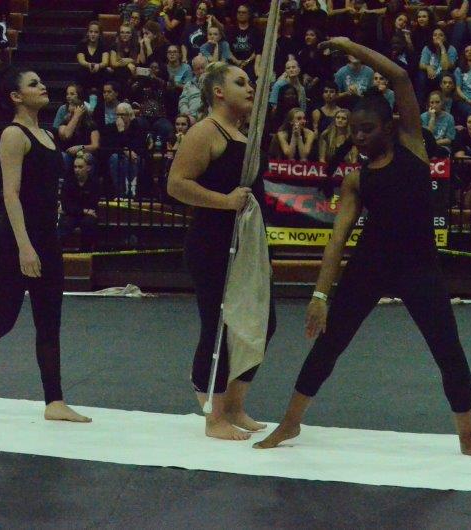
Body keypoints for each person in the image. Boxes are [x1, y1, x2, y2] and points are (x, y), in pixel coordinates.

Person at [255, 37, 471, 459]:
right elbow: (337, 240)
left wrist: (352, 46)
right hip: (369, 266)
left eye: (366, 130)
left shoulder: (413, 145)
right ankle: (291, 422)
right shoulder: (357, 178)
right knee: (329, 344)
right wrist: (319, 297)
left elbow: (401, 77)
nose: (359, 137)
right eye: (353, 131)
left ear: (388, 127)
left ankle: (468, 437)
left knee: (448, 350)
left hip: (419, 268)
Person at [168, 62, 277, 440]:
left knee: (265, 322)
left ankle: (234, 405)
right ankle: (214, 417)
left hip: (246, 245)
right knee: (218, 328)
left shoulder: (243, 135)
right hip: (212, 244)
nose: (250, 88)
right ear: (218, 91)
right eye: (240, 82)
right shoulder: (204, 131)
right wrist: (225, 201)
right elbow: (176, 184)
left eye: (250, 82)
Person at [0, 68, 92, 423]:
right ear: (16, 96)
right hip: (17, 241)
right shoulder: (13, 134)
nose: (42, 87)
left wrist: (77, 117)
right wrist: (24, 247)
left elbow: (62, 141)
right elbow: (10, 193)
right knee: (3, 319)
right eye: (33, 84)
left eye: (41, 81)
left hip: (48, 241)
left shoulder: (48, 135)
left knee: (49, 322)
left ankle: (55, 401)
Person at [58, 152, 99, 251]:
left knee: (89, 223)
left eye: (80, 167)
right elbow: (66, 206)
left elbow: (93, 205)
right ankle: (58, 252)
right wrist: (84, 210)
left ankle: (85, 253)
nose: (77, 170)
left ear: (88, 168)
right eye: (75, 167)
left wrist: (78, 210)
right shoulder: (68, 182)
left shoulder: (94, 183)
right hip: (71, 215)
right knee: (64, 224)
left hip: (85, 216)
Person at [228, 3, 263, 80]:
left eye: (243, 12)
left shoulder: (256, 31)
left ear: (249, 15)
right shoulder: (231, 30)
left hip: (250, 65)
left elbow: (258, 50)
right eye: (239, 12)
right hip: (233, 63)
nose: (241, 14)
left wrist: (247, 61)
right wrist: (237, 61)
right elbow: (227, 49)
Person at [76, 21, 110, 100]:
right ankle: (82, 101)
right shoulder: (81, 45)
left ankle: (101, 101)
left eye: (96, 32)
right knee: (81, 73)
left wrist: (98, 66)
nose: (93, 34)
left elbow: (105, 62)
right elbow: (81, 61)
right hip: (86, 71)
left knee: (106, 74)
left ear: (100, 34)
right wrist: (90, 65)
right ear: (87, 33)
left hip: (100, 72)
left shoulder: (104, 45)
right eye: (91, 32)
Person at [179, 54, 208, 122]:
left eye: (203, 68)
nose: (201, 71)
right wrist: (187, 116)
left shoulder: (214, 83)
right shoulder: (188, 85)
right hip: (192, 118)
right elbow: (183, 102)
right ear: (193, 71)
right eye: (197, 69)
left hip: (209, 118)